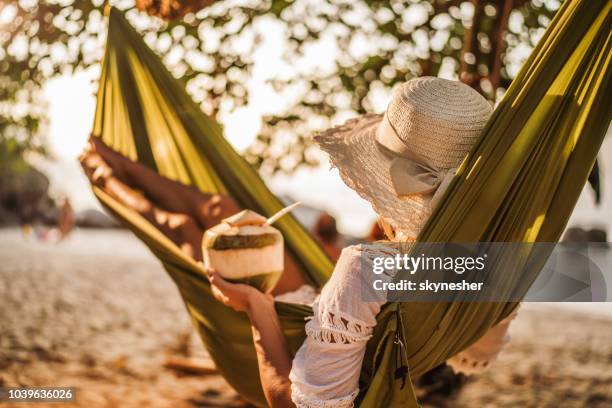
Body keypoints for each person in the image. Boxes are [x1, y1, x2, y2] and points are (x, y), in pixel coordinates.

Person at [81, 77, 515, 408]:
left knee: (186, 228)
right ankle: (116, 167)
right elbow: (479, 344)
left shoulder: (365, 266)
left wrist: (257, 310)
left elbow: (292, 402)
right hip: (342, 311)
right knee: (221, 211)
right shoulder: (509, 263)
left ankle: (106, 174)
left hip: (301, 327)